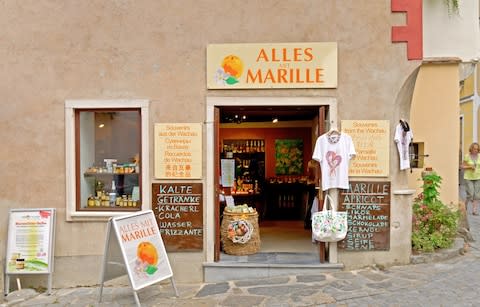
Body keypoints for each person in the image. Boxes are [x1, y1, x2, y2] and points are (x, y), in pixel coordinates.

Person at [462, 142, 480, 215]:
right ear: (471, 149)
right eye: (474, 148)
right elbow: (462, 166)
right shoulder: (467, 156)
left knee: (477, 195)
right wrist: (470, 167)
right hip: (468, 177)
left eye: (477, 149)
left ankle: (474, 210)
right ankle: (465, 205)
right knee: (470, 194)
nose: (475, 150)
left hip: (478, 177)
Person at [304, 159, 319, 229]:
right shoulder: (315, 164)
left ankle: (308, 222)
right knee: (312, 204)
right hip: (314, 187)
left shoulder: (311, 163)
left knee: (311, 204)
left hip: (311, 186)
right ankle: (309, 221)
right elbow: (316, 180)